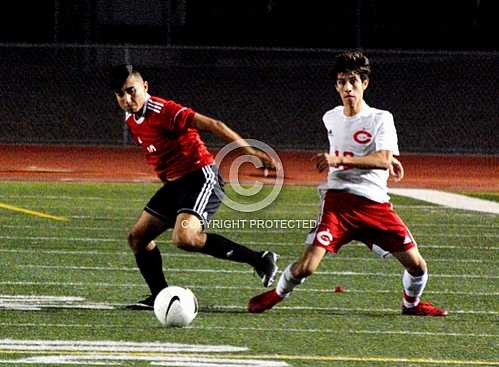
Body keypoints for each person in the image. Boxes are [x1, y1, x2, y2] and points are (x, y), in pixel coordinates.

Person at [248, 51, 448, 316]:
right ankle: (275, 294)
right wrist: (374, 160)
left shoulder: (381, 118)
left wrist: (360, 160)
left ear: (365, 83)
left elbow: (382, 157)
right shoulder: (330, 117)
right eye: (342, 82)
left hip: (375, 205)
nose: (347, 87)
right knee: (307, 266)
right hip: (338, 203)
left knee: (417, 266)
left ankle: (410, 305)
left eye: (353, 81)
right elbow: (368, 152)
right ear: (336, 86)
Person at [110, 64, 278, 310]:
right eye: (120, 94)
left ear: (145, 87)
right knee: (138, 238)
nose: (127, 99)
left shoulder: (164, 110)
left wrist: (251, 151)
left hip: (201, 176)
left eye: (131, 91)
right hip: (176, 185)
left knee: (185, 238)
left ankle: (260, 260)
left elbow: (214, 125)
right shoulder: (131, 117)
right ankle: (159, 295)